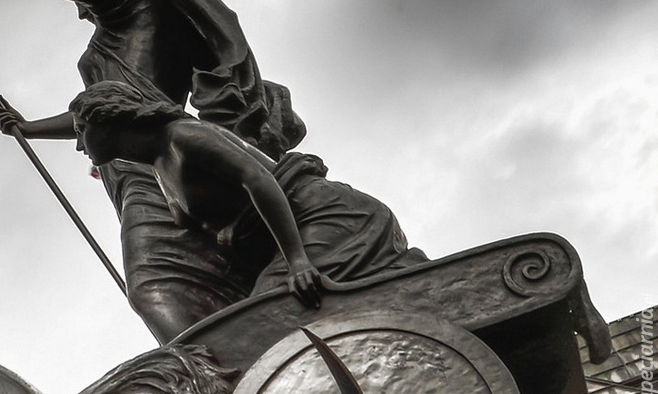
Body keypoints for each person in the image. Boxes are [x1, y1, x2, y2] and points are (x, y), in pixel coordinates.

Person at [0, 0, 305, 340]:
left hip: (148, 159)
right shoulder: (124, 38)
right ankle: (230, 345)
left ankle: (210, 363)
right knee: (184, 274)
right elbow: (94, 114)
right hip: (129, 156)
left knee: (154, 280)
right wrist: (29, 127)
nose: (79, 11)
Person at [67, 81, 425, 308]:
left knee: (268, 315)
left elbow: (259, 180)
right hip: (285, 239)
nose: (79, 143)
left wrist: (298, 259)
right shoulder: (157, 166)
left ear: (107, 119)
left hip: (322, 216)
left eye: (81, 131)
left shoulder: (182, 136)